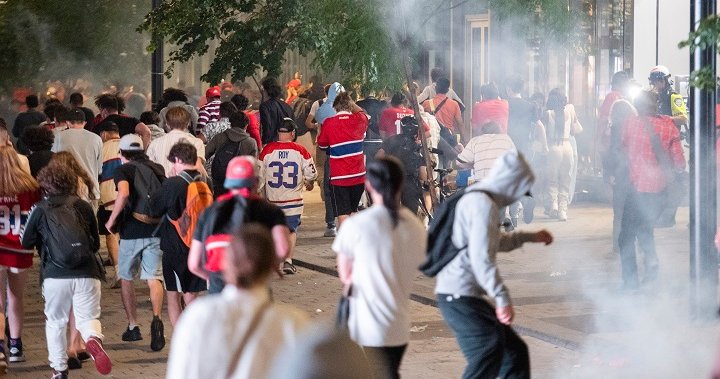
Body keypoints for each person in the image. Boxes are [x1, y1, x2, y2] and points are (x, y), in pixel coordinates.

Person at [435, 151, 553, 379]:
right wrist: (502, 299)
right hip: (457, 295)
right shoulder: (484, 206)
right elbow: (482, 258)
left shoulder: (484, 201)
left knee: (513, 352)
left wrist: (530, 237)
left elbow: (494, 241)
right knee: (488, 354)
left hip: (462, 294)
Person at [167, 224, 308, 379]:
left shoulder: (198, 316)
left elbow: (180, 373)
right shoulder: (292, 323)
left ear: (226, 266)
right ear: (271, 267)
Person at [334, 157, 426, 379]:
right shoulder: (414, 226)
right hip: (399, 325)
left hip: (365, 323)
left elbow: (346, 276)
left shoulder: (356, 225)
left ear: (368, 185)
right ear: (401, 184)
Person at [21, 164, 112, 379]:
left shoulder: (40, 208)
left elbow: (26, 242)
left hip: (55, 273)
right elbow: (95, 244)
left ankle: (59, 369)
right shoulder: (83, 206)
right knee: (88, 316)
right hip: (87, 271)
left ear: (44, 184)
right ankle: (92, 339)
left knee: (55, 321)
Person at [188, 156, 290, 294]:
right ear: (256, 182)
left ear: (228, 182)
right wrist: (267, 266)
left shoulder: (210, 212)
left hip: (219, 291)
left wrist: (216, 279)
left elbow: (194, 264)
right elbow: (283, 249)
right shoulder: (271, 211)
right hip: (255, 288)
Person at [104, 134, 167, 352]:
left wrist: (111, 221)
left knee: (126, 277)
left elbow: (123, 194)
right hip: (156, 229)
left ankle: (133, 326)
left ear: (121, 153)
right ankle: (157, 318)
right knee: (154, 277)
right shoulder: (157, 168)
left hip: (131, 230)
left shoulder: (123, 170)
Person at [618, 90, 685, 289]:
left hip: (637, 189)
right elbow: (680, 163)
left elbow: (621, 149)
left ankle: (631, 282)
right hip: (660, 191)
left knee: (626, 237)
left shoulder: (631, 123)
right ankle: (652, 266)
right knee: (645, 229)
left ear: (638, 106)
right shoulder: (668, 126)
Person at [150, 143, 208, 326]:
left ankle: (183, 342)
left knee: (173, 295)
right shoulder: (206, 182)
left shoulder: (172, 184)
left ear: (177, 160)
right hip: (199, 247)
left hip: (175, 247)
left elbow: (153, 209)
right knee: (191, 296)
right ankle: (197, 338)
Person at [258, 118, 317, 274]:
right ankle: (288, 261)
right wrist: (309, 183)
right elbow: (312, 173)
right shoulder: (301, 150)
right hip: (294, 201)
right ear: (293, 133)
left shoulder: (267, 150)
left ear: (278, 133)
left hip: (273, 200)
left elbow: (259, 176)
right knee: (291, 231)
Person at [0, 146, 41, 366]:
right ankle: (15, 345)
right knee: (15, 298)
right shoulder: (30, 187)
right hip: (21, 249)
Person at [317, 92, 369, 229]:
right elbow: (363, 113)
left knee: (342, 212)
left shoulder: (329, 123)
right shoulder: (360, 119)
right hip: (358, 176)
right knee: (353, 210)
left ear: (335, 108)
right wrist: (352, 104)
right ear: (351, 105)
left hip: (339, 177)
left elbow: (322, 145)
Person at [456, 121, 519, 228]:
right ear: (498, 131)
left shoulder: (475, 141)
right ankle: (507, 216)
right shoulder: (506, 139)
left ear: (483, 131)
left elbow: (459, 162)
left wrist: (472, 166)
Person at [648, 65, 688, 227]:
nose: (654, 85)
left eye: (656, 81)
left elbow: (683, 117)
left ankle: (668, 217)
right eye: (653, 82)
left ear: (663, 80)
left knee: (673, 184)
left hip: (670, 145)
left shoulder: (673, 97)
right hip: (657, 145)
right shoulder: (653, 97)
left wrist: (665, 120)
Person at [542, 88, 583, 221]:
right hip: (567, 147)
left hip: (554, 147)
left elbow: (544, 133)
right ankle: (562, 211)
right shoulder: (570, 111)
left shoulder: (548, 114)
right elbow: (574, 131)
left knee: (552, 179)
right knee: (565, 180)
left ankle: (553, 204)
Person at [603, 100, 637, 256]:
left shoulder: (613, 128)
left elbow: (610, 152)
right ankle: (632, 242)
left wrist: (608, 173)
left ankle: (617, 244)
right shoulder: (637, 127)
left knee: (618, 212)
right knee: (635, 210)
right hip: (636, 174)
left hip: (620, 174)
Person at [377, 116, 429, 214]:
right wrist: (426, 183)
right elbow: (423, 174)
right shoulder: (418, 147)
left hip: (391, 179)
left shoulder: (391, 140)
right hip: (410, 182)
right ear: (416, 131)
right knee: (410, 213)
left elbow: (379, 156)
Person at [305, 83, 338, 237]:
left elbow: (307, 122)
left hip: (322, 144)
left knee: (321, 168)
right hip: (338, 144)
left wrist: (318, 126)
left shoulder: (317, 104)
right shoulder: (340, 104)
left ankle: (325, 192)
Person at [51, 109, 103, 204]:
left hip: (68, 190)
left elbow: (54, 161)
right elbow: (100, 169)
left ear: (67, 122)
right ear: (85, 123)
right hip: (91, 190)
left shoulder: (58, 137)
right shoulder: (96, 138)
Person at [206, 110, 259, 196]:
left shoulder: (219, 137)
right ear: (246, 126)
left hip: (220, 182)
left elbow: (205, 154)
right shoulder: (251, 142)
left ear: (231, 123)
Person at [147, 106, 206, 178]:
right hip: (187, 185)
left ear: (167, 125)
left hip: (161, 185)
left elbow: (149, 168)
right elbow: (198, 168)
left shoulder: (154, 143)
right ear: (188, 124)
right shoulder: (197, 142)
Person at [96, 122, 122, 283]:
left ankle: (119, 273)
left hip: (109, 196)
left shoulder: (102, 148)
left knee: (111, 234)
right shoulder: (129, 144)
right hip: (130, 196)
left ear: (104, 134)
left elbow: (97, 172)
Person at [422, 77, 466, 142]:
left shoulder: (426, 104)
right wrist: (464, 141)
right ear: (447, 90)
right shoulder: (454, 104)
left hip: (434, 139)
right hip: (449, 139)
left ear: (436, 88)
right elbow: (460, 124)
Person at [259, 77, 294, 145]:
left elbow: (267, 127)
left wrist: (264, 144)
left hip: (272, 145)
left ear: (266, 90)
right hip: (287, 144)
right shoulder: (287, 106)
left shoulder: (265, 106)